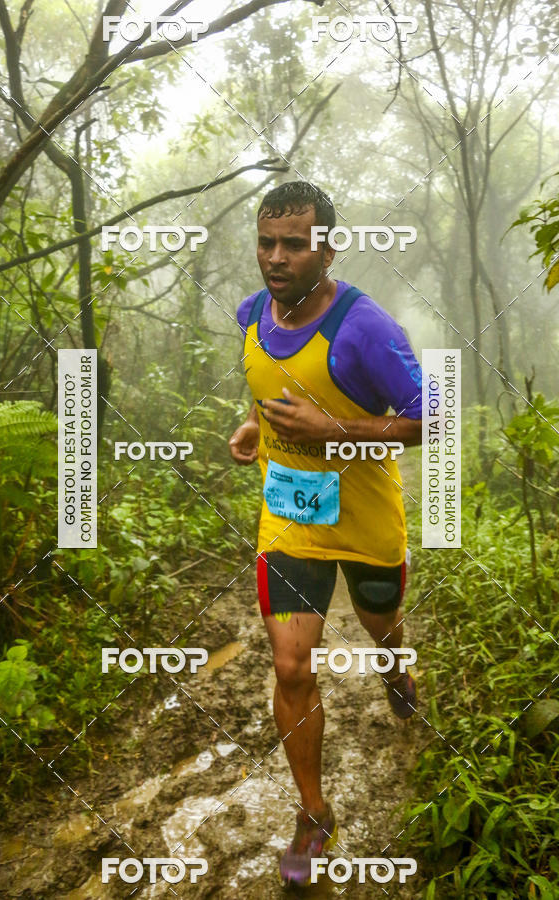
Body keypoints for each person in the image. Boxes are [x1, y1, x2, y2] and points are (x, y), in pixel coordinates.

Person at [228, 181, 422, 888]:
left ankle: (395, 664)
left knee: (380, 627)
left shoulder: (366, 326)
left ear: (326, 248)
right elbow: (267, 384)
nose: (276, 258)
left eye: (294, 244)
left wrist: (335, 429)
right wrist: (255, 425)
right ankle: (313, 813)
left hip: (367, 522)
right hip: (292, 523)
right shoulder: (252, 313)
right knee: (290, 666)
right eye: (266, 242)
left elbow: (428, 417)